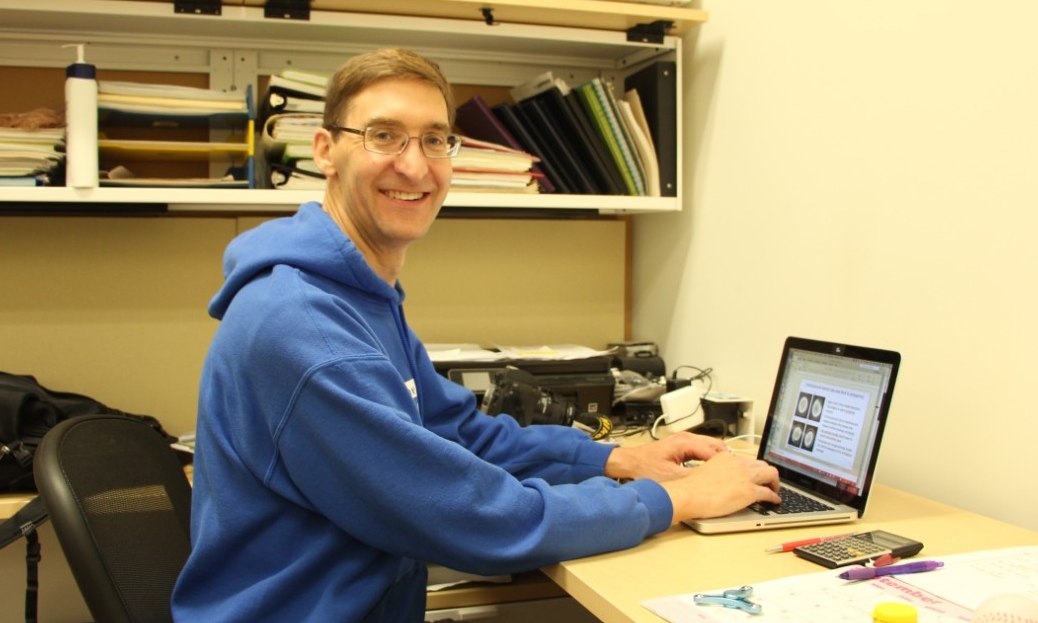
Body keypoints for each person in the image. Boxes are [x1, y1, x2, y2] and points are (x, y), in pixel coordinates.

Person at [171, 47, 781, 623]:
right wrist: (677, 501)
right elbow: (476, 517)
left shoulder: (358, 296)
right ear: (326, 150)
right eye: (384, 135)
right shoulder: (305, 328)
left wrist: (620, 458)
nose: (415, 165)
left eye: (434, 139)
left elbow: (460, 435)